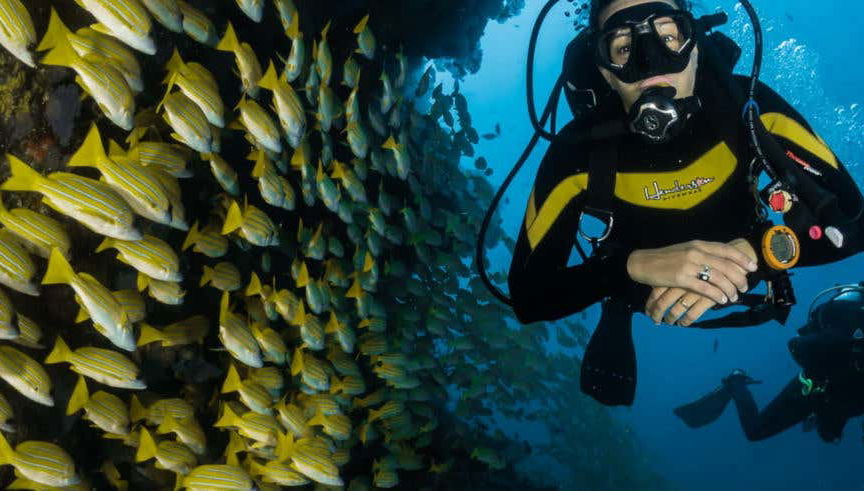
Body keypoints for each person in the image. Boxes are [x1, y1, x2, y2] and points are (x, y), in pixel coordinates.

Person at [506, 0, 864, 405]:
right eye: (623, 47)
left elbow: (856, 219)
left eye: (669, 36)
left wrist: (760, 253)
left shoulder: (749, 108)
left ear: (695, 46)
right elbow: (529, 297)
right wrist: (629, 268)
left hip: (748, 254)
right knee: (619, 296)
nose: (650, 60)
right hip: (635, 286)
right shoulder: (576, 155)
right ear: (604, 70)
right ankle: (618, 305)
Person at [674, 283, 864, 442]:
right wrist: (821, 380)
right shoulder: (849, 328)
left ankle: (823, 414)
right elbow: (798, 345)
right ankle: (736, 382)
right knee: (756, 431)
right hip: (817, 385)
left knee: (829, 434)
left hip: (842, 393)